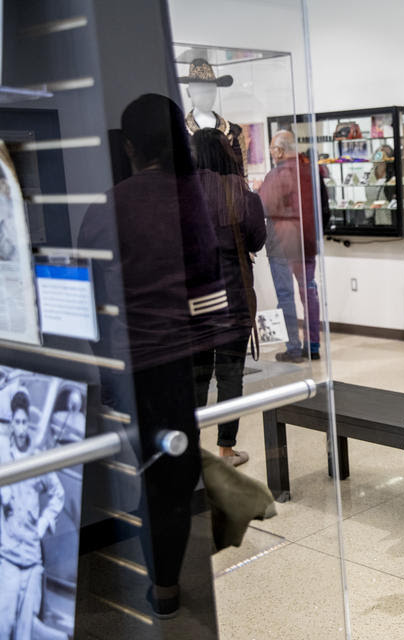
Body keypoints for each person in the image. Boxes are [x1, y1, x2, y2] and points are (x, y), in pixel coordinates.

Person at [78, 93, 226, 618]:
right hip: (182, 360)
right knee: (174, 470)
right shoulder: (195, 200)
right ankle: (165, 585)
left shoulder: (109, 205)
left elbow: (91, 298)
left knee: (143, 469)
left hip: (129, 363)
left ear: (130, 145)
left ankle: (157, 582)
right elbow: (209, 289)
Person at [191, 128, 267, 466]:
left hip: (194, 296)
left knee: (196, 374)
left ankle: (189, 448)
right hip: (233, 295)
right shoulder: (243, 195)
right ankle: (225, 449)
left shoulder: (183, 195)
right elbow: (256, 241)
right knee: (230, 374)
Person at [0, 390, 65, 639]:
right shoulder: (4, 457)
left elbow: (57, 493)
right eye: (16, 422)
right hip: (7, 558)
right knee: (3, 626)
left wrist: (43, 523)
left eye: (24, 422)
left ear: (28, 423)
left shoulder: (37, 460)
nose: (20, 427)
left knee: (24, 632)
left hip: (31, 558)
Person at [260, 130, 320, 362]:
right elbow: (322, 206)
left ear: (281, 150)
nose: (272, 153)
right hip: (306, 241)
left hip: (282, 244)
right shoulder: (309, 171)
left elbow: (264, 207)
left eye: (273, 149)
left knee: (285, 296)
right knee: (310, 292)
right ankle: (313, 345)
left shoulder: (276, 175)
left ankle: (294, 348)